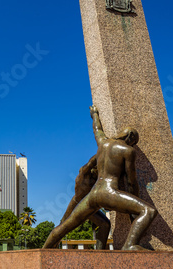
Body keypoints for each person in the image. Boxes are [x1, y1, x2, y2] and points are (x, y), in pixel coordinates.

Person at [43, 106, 157, 250]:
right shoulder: (128, 151)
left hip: (93, 195)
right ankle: (130, 245)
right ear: (130, 138)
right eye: (134, 143)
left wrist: (95, 114)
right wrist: (133, 210)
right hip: (109, 193)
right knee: (149, 211)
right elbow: (131, 182)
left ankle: (42, 251)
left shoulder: (102, 144)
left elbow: (97, 130)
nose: (133, 145)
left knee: (67, 225)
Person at [59, 154, 110, 250]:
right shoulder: (84, 174)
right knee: (62, 227)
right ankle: (47, 249)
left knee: (105, 224)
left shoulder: (98, 180)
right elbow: (88, 164)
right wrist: (103, 150)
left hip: (88, 205)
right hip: (77, 204)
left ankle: (100, 253)